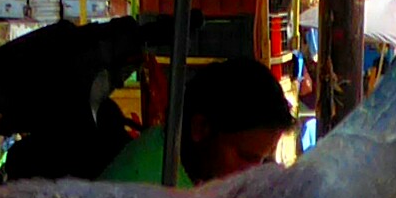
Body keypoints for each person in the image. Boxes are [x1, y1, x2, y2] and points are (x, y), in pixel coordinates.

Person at [103, 57, 295, 185]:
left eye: (263, 160)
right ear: (200, 128)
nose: (254, 174)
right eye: (245, 157)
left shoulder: (191, 171)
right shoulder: (149, 185)